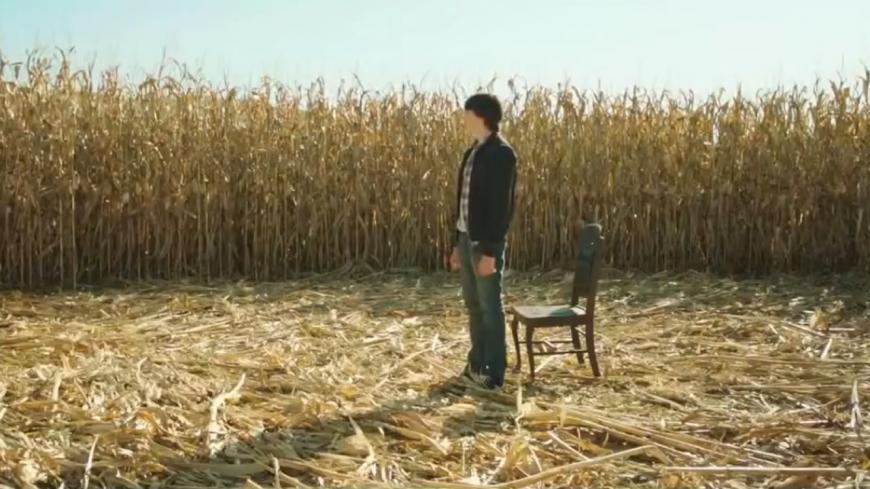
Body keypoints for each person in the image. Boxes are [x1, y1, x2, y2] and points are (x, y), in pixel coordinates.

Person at [449, 93, 518, 389]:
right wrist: (456, 243)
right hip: (466, 238)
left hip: (484, 244)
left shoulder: (501, 154)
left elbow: (501, 207)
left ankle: (494, 371)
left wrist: (490, 251)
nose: (464, 120)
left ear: (482, 116)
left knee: (490, 307)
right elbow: (462, 202)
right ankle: (476, 363)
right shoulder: (472, 152)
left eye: (467, 114)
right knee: (473, 305)